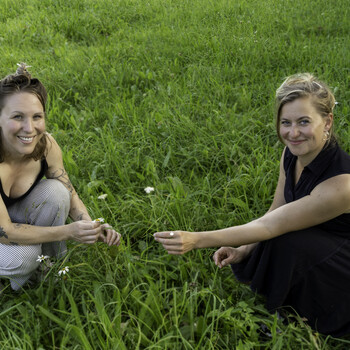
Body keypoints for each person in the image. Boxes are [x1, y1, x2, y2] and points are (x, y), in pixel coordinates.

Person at [154, 73, 350, 337]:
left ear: (327, 122)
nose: (292, 133)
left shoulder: (342, 184)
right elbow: (276, 209)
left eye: (304, 122)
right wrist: (245, 250)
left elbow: (273, 225)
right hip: (315, 240)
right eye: (285, 122)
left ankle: (299, 317)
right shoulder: (293, 152)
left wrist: (196, 239)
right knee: (282, 237)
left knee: (287, 240)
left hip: (342, 260)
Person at [0, 63, 121, 291]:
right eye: (17, 117)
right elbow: (5, 232)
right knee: (26, 256)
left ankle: (53, 271)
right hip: (3, 229)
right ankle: (21, 286)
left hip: (8, 217)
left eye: (37, 116)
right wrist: (68, 231)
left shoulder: (45, 145)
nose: (29, 128)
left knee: (57, 191)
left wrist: (91, 224)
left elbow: (69, 191)